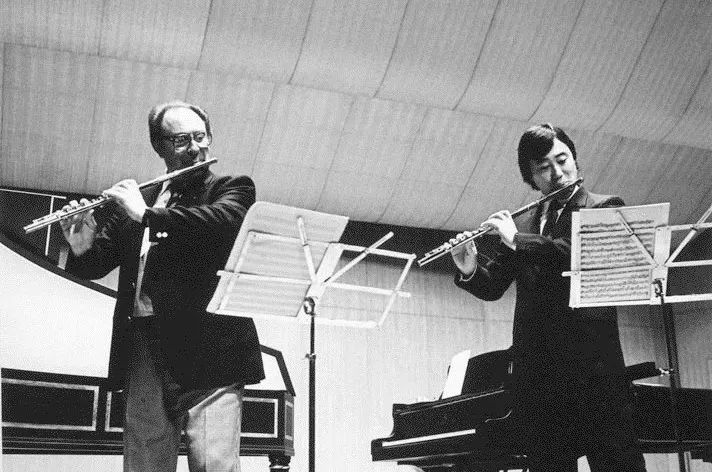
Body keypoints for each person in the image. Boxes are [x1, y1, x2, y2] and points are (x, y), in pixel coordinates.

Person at [60, 101, 264, 472]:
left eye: (200, 136)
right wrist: (81, 245)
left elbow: (221, 222)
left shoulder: (232, 188)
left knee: (214, 464)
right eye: (182, 140)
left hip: (210, 351)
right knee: (145, 463)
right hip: (143, 347)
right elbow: (96, 265)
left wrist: (146, 215)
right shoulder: (140, 200)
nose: (196, 147)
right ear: (160, 147)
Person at [450, 124, 646, 472]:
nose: (557, 172)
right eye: (544, 167)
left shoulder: (605, 206)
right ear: (531, 177)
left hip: (594, 375)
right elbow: (493, 287)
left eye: (563, 159)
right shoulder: (526, 222)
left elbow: (572, 254)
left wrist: (516, 240)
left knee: (616, 466)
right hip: (539, 379)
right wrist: (470, 268)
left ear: (575, 159)